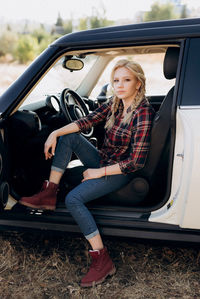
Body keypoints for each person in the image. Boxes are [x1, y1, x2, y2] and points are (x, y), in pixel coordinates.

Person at [19, 59, 155, 287]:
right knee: (69, 137)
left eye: (127, 80)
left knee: (74, 199)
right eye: (116, 80)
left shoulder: (144, 113)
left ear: (138, 84)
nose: (120, 85)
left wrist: (98, 172)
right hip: (105, 159)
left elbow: (136, 162)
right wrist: (55, 133)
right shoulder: (116, 103)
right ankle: (49, 193)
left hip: (121, 170)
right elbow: (87, 120)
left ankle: (102, 259)